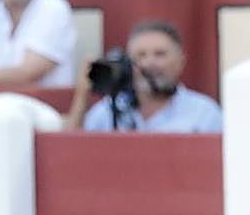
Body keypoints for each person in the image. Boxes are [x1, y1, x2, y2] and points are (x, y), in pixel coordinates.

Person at [69, 20, 221, 133]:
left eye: (160, 54)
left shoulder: (204, 113)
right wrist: (82, 97)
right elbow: (70, 155)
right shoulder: (108, 110)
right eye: (141, 55)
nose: (149, 63)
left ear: (180, 62)